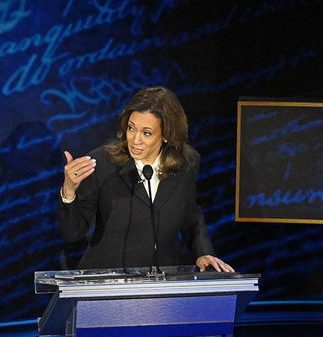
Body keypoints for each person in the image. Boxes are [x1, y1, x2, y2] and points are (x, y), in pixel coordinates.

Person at [57, 86, 233, 273]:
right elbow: (72, 233)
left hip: (161, 283)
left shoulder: (187, 162)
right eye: (131, 129)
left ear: (166, 134)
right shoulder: (102, 162)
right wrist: (69, 190)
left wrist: (202, 252)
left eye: (146, 133)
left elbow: (189, 212)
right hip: (107, 282)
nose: (135, 140)